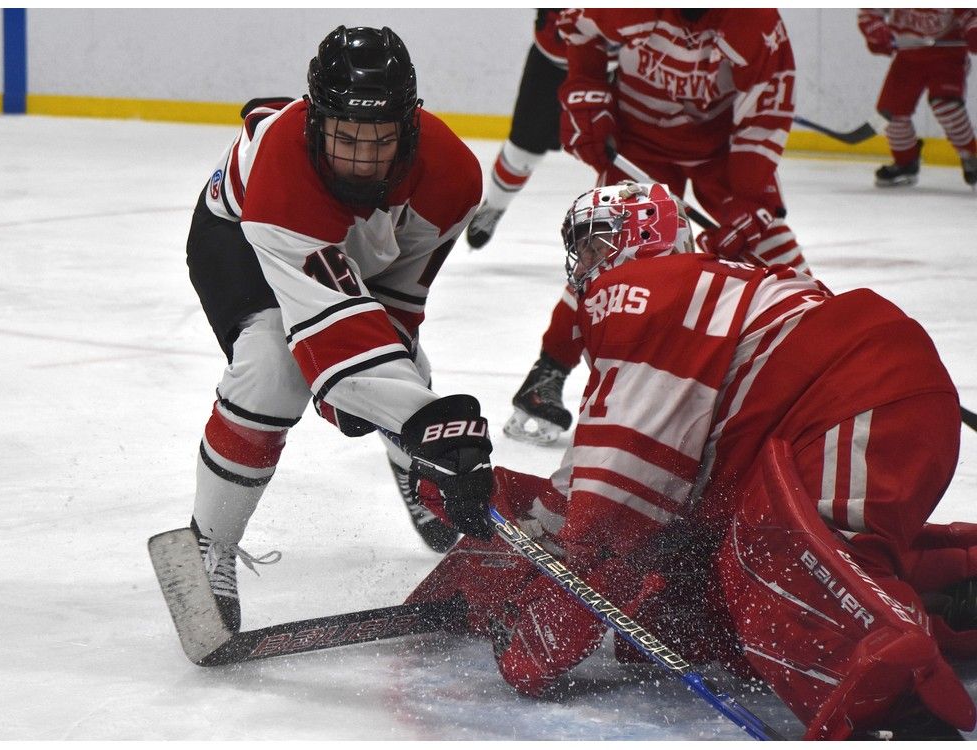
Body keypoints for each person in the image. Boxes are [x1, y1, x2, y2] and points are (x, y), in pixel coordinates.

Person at [408, 180, 977, 740]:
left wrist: (537, 635)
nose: (582, 265)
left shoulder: (639, 290)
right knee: (707, 595)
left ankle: (902, 717)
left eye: (593, 244)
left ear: (641, 238)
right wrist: (503, 503)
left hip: (858, 399)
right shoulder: (696, 288)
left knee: (778, 575)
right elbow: (613, 499)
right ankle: (956, 591)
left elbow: (615, 506)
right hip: (857, 402)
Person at [184, 25, 496, 631]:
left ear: (408, 126)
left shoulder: (453, 178)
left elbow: (399, 301)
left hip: (340, 257)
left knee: (409, 373)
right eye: (343, 135)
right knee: (273, 371)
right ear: (314, 122)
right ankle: (210, 544)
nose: (359, 156)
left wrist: (411, 421)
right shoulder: (283, 172)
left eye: (377, 139)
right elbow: (326, 337)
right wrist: (418, 420)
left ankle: (417, 475)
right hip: (239, 246)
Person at [505, 8, 812, 445]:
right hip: (639, 142)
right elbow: (580, 35)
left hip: (720, 149)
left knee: (766, 242)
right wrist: (587, 97)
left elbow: (763, 116)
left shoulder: (755, 22)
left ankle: (817, 357)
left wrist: (749, 199)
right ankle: (547, 372)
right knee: (606, 249)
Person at [465, 9, 569, 249]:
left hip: (609, 67)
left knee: (625, 152)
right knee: (523, 151)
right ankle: (495, 204)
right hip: (550, 61)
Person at [858, 8, 977, 187]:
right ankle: (906, 162)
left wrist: (973, 31)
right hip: (908, 58)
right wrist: (877, 32)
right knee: (890, 114)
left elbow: (970, 15)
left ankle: (971, 157)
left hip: (948, 56)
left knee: (946, 107)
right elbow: (870, 12)